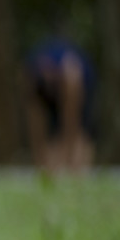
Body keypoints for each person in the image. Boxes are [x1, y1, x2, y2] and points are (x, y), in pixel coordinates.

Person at [24, 34, 96, 175]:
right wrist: (40, 159)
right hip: (49, 90)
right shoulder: (33, 76)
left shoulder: (72, 74)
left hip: (79, 90)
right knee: (49, 162)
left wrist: (67, 157)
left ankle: (73, 158)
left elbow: (71, 120)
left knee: (78, 163)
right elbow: (35, 124)